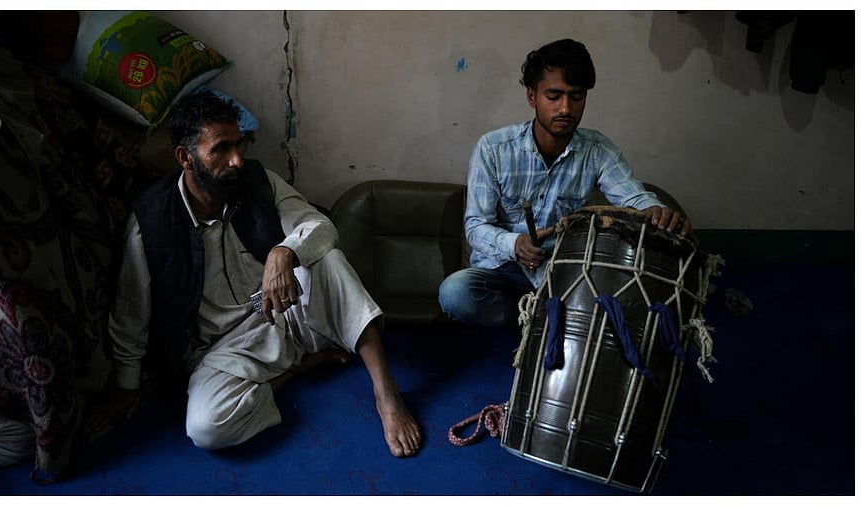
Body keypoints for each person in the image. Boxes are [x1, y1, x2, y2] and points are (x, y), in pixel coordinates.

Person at [94, 90, 421, 458]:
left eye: (239, 145)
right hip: (223, 349)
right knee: (206, 428)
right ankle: (297, 369)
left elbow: (319, 225)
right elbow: (130, 308)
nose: (236, 160)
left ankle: (385, 391)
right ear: (186, 157)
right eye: (220, 149)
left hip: (286, 311)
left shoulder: (256, 179)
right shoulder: (151, 220)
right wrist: (127, 383)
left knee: (327, 259)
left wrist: (284, 252)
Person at [438, 38, 692, 328]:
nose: (565, 108)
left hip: (563, 271)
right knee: (455, 293)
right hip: (502, 270)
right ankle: (531, 322)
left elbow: (634, 197)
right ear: (532, 97)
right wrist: (516, 243)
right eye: (554, 96)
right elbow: (475, 226)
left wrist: (655, 210)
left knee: (625, 299)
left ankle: (547, 317)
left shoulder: (597, 149)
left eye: (577, 96)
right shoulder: (493, 148)